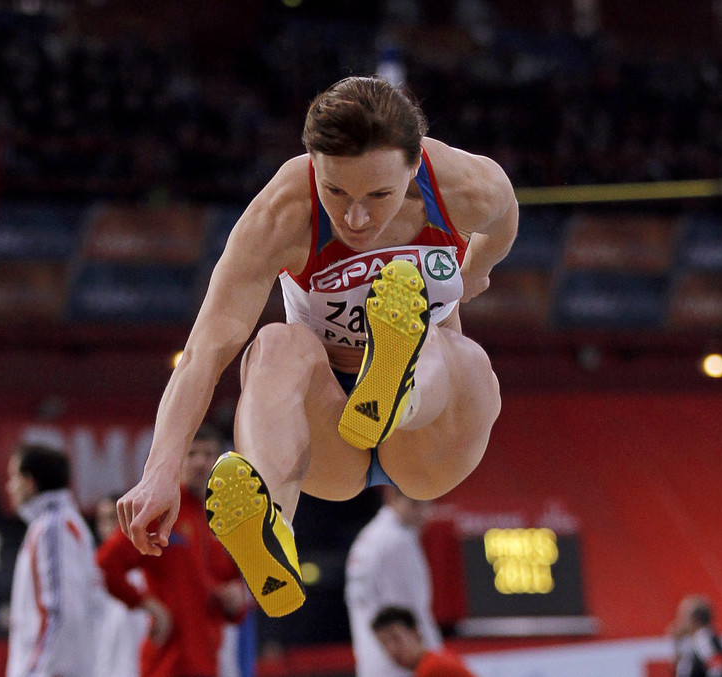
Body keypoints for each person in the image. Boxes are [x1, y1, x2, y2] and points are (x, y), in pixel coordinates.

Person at [118, 75, 517, 617]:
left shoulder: (462, 185)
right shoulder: (282, 212)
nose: (356, 219)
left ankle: (399, 389)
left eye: (379, 195)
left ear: (415, 164)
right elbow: (206, 349)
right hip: (329, 430)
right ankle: (272, 525)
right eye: (336, 192)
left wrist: (479, 268)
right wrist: (159, 471)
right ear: (313, 164)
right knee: (273, 345)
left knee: (450, 349)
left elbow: (505, 216)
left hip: (431, 435)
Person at [98, 424, 249, 677]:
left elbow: (235, 599)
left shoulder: (225, 521)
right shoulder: (159, 510)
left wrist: (236, 600)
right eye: (192, 454)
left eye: (209, 454)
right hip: (166, 664)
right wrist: (147, 605)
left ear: (219, 462)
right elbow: (106, 562)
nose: (201, 462)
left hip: (209, 663)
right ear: (178, 461)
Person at [5, 442, 102, 677]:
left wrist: (34, 671)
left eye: (12, 477)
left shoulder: (52, 527)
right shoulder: (63, 523)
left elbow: (58, 609)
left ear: (29, 482)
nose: (9, 487)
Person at [346, 487, 441, 677]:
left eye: (427, 504)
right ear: (392, 497)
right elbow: (408, 614)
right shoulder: (396, 541)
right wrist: (436, 657)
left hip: (372, 663)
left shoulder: (369, 537)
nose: (423, 513)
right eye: (415, 505)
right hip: (400, 665)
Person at [93, 493, 149, 677]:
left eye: (114, 519)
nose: (109, 526)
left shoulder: (145, 577)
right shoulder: (91, 576)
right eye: (103, 519)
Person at [371, 606, 475, 677]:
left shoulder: (432, 668)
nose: (391, 649)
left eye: (396, 638)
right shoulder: (438, 659)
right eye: (384, 643)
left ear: (415, 632)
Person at [670, 594, 722, 677]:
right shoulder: (691, 641)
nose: (677, 621)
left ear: (695, 620)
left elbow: (718, 669)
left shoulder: (705, 641)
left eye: (682, 616)